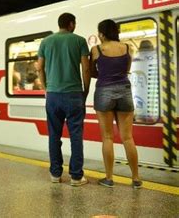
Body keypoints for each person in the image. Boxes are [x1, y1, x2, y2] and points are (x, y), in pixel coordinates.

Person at [37, 13, 90, 186]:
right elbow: (86, 70)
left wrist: (46, 88)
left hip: (52, 95)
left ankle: (55, 174)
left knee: (54, 135)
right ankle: (76, 177)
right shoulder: (80, 41)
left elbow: (39, 68)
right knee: (76, 136)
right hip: (74, 94)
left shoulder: (46, 42)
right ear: (71, 24)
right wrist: (85, 91)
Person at [89, 19, 142, 189]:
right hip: (124, 90)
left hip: (104, 90)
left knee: (107, 137)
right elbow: (126, 69)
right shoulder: (126, 48)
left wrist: (105, 74)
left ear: (102, 33)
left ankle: (109, 178)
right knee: (127, 137)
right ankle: (136, 178)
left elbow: (91, 72)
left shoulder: (96, 49)